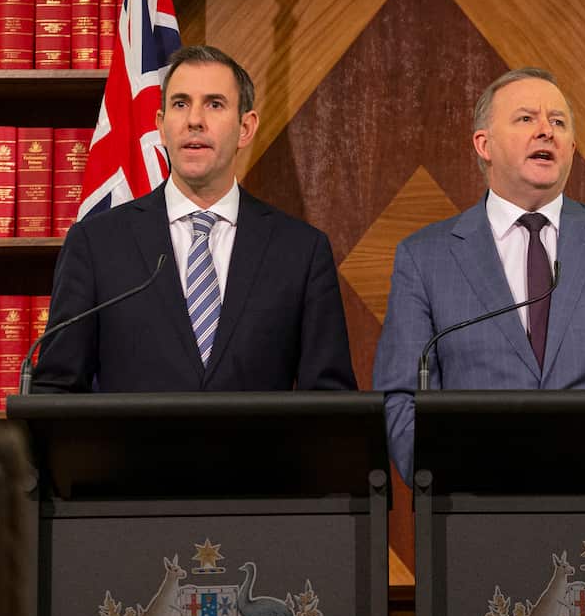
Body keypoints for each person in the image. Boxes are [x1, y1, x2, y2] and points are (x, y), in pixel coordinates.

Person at [373, 67, 585, 480]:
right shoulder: (425, 258)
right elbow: (401, 398)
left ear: (572, 148)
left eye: (558, 122)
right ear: (484, 144)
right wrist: (442, 479)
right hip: (476, 509)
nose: (546, 130)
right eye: (526, 118)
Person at [32, 44, 356, 393]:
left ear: (246, 128)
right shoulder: (97, 244)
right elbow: (56, 391)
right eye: (180, 104)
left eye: (214, 104)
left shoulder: (300, 252)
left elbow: (329, 402)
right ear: (160, 125)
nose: (194, 120)